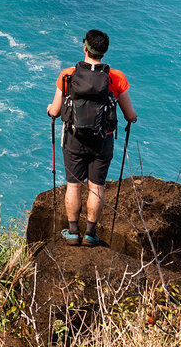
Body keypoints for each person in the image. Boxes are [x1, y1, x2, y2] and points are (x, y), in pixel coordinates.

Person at [46, 28, 136, 247]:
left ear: (84, 48)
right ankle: (90, 235)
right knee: (96, 186)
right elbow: (130, 115)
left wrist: (49, 109)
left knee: (74, 185)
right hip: (102, 141)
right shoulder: (116, 78)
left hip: (74, 139)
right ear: (104, 52)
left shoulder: (68, 75)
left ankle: (73, 232)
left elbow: (55, 112)